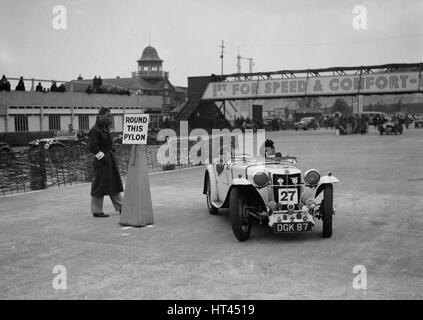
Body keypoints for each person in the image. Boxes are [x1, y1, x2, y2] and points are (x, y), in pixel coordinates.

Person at [88, 107, 123, 218]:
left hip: (109, 159)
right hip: (102, 162)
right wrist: (104, 159)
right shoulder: (95, 130)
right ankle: (96, 210)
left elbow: (108, 143)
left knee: (114, 183)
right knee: (99, 185)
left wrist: (112, 150)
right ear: (101, 115)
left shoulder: (104, 128)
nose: (109, 118)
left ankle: (122, 207)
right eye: (108, 116)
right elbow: (93, 148)